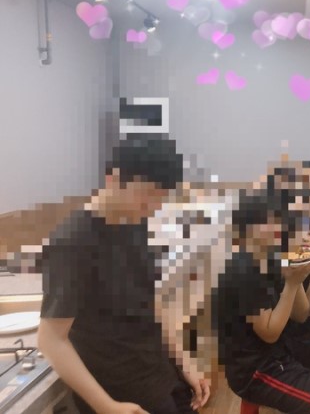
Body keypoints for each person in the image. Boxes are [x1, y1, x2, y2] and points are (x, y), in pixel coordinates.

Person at [38, 135, 210, 414]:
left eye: (161, 198)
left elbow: (154, 302)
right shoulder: (73, 241)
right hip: (123, 393)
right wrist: (106, 406)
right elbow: (51, 339)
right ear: (114, 179)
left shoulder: (135, 222)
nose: (154, 207)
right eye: (148, 195)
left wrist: (184, 362)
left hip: (161, 375)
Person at [214, 161, 310, 414]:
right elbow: (269, 332)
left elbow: (301, 313)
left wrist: (300, 269)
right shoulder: (244, 267)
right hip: (256, 368)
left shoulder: (273, 254)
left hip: (278, 349)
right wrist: (293, 282)